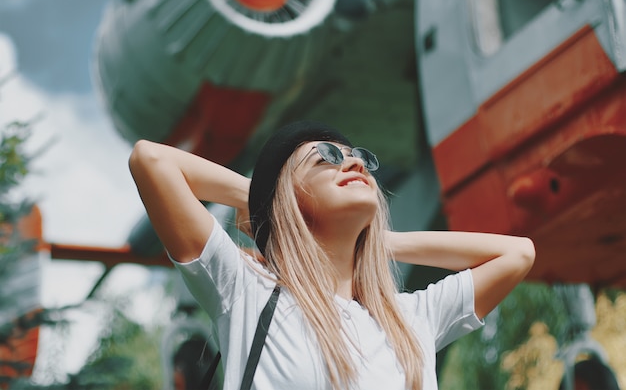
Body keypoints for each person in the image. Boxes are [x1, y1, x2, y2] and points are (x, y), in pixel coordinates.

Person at [129, 121, 535, 390]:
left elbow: (517, 254)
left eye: (357, 156)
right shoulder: (247, 292)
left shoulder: (411, 320)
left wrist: (381, 242)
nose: (355, 161)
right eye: (327, 156)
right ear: (290, 195)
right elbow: (152, 160)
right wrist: (267, 201)